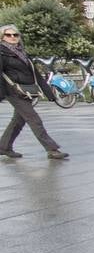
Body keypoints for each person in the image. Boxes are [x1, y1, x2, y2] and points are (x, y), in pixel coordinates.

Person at [0, 24, 68, 160]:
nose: (13, 37)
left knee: (18, 120)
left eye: (15, 35)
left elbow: (35, 73)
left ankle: (4, 147)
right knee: (34, 119)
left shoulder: (22, 53)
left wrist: (48, 92)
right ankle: (52, 149)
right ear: (2, 37)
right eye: (8, 35)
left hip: (27, 90)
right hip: (13, 91)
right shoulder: (2, 53)